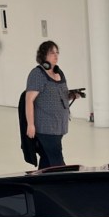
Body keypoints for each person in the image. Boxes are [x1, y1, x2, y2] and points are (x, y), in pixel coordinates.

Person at [25, 41, 73, 169]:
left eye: (57, 52)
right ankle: (66, 180)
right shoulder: (37, 74)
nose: (56, 56)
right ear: (43, 55)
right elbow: (29, 100)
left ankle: (41, 178)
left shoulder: (59, 73)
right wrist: (30, 124)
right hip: (46, 127)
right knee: (58, 162)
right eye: (52, 53)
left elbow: (60, 96)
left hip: (59, 126)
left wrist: (73, 95)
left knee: (46, 160)